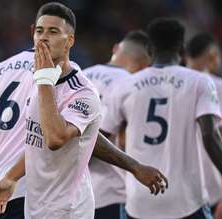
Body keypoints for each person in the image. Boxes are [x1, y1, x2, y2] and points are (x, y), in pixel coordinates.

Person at [0, 3, 167, 219]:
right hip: (36, 208)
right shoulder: (42, 84)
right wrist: (11, 178)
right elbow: (39, 141)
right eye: (39, 31)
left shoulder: (82, 92)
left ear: (69, 41)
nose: (43, 38)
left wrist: (44, 80)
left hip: (68, 210)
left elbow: (55, 138)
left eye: (53, 32)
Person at [101, 17, 222, 218]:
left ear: (150, 49)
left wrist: (132, 167)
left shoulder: (125, 86)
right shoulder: (199, 82)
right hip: (186, 200)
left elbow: (102, 139)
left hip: (139, 199)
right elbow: (210, 136)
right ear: (182, 49)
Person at [83, 30, 150, 219]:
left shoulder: (79, 76)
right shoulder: (134, 85)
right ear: (145, 66)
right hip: (111, 193)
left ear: (116, 49)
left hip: (73, 194)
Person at [186, 32, 222, 218]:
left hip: (178, 180)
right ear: (212, 55)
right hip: (211, 180)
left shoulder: (174, 82)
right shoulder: (216, 85)